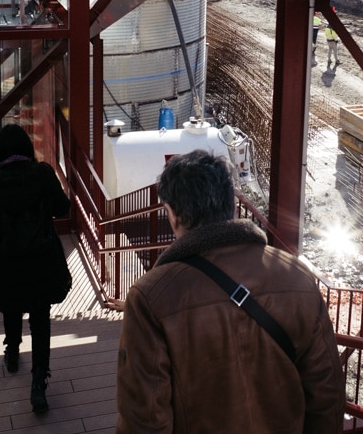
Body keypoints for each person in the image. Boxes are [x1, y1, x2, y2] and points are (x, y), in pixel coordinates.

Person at [115, 150, 345, 433]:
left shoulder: (150, 297)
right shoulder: (297, 276)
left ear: (172, 214)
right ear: (232, 205)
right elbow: (326, 394)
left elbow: (145, 420)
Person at [0, 124, 72, 414]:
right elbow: (62, 209)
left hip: (6, 261)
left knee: (11, 306)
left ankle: (12, 351)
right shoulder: (43, 175)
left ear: (0, 153)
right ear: (26, 149)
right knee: (40, 320)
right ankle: (38, 384)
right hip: (41, 261)